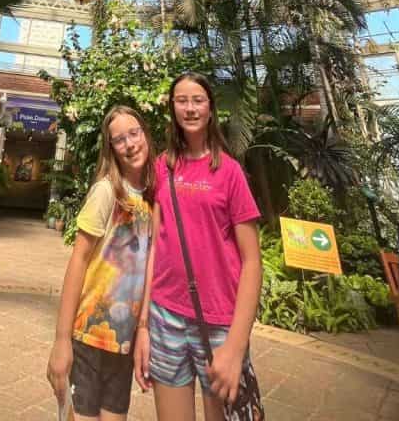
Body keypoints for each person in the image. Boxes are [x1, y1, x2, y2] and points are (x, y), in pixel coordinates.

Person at [134, 71, 264, 421]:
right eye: (181, 100)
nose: (190, 108)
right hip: (165, 316)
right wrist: (143, 326)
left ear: (210, 109)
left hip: (219, 323)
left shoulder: (231, 172)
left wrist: (236, 346)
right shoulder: (162, 167)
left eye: (198, 100)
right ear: (172, 109)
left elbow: (253, 261)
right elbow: (154, 250)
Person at [47, 105, 155, 421]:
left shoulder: (151, 196)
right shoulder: (106, 191)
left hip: (123, 342)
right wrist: (61, 341)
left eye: (134, 133)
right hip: (88, 337)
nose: (130, 144)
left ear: (146, 134)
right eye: (119, 139)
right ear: (111, 149)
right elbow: (78, 262)